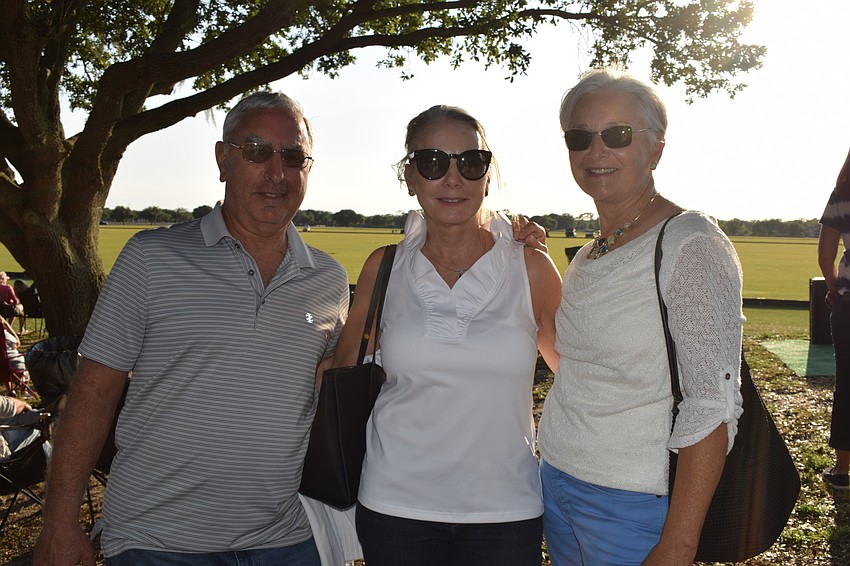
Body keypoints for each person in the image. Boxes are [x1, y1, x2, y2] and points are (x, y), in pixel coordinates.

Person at [34, 91, 349, 566]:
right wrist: (59, 522)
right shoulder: (151, 259)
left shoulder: (328, 280)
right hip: (158, 543)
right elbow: (91, 394)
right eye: (257, 151)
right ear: (223, 160)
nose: (276, 173)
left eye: (293, 156)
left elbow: (344, 385)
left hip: (288, 542)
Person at [325, 105, 562, 566]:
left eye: (470, 163)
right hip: (394, 509)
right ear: (409, 176)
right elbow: (341, 367)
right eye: (433, 162)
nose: (453, 179)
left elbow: (576, 375)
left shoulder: (530, 266)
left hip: (506, 511)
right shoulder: (384, 265)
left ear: (487, 176)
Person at [537, 68, 744, 565]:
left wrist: (677, 545)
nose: (596, 151)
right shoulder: (591, 252)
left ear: (656, 149)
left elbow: (712, 405)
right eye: (580, 137)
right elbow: (575, 363)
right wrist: (534, 262)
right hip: (557, 482)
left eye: (618, 135)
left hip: (633, 504)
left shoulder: (689, 244)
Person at [818, 146, 850, 490]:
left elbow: (825, 254)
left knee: (847, 384)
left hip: (848, 303)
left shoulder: (843, 192)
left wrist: (833, 286)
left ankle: (842, 470)